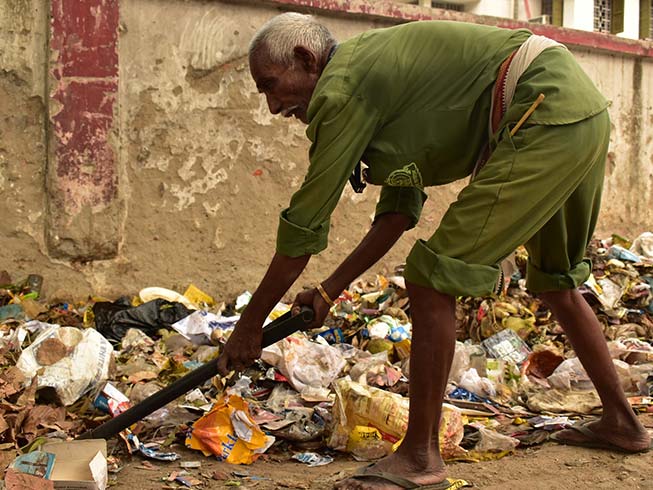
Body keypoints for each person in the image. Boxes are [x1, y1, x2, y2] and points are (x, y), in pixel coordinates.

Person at [216, 12, 651, 489]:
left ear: (306, 59)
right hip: (577, 109)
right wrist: (327, 290)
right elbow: (398, 212)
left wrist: (249, 326)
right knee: (556, 280)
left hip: (540, 109)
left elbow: (304, 224)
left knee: (428, 275)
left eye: (272, 86)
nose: (274, 106)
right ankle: (623, 423)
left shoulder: (341, 87)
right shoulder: (379, 77)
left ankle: (420, 456)